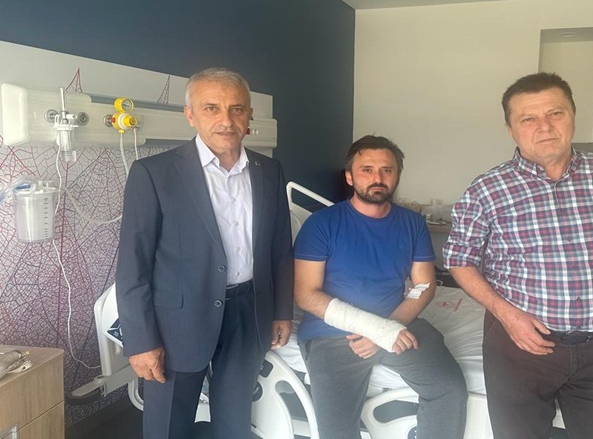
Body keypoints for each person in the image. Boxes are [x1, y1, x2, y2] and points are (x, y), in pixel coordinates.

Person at [443, 72, 593, 439]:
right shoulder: (487, 189)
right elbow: (458, 259)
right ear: (511, 129)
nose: (544, 126)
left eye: (555, 113)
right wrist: (506, 315)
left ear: (573, 116)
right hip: (519, 346)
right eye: (528, 118)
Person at [116, 68, 294, 439]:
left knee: (234, 422)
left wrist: (281, 311)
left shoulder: (269, 171)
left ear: (248, 116)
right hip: (178, 321)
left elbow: (279, 247)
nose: (226, 120)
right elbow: (133, 264)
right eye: (211, 108)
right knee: (168, 426)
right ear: (190, 115)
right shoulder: (154, 174)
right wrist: (142, 340)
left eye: (236, 109)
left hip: (248, 313)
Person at [294, 135, 468, 439]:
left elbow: (424, 285)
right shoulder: (321, 224)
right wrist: (375, 329)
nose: (378, 178)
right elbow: (306, 295)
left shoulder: (412, 223)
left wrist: (386, 329)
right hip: (332, 333)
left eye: (387, 170)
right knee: (337, 431)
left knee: (449, 390)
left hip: (397, 323)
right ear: (349, 177)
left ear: (397, 175)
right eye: (367, 170)